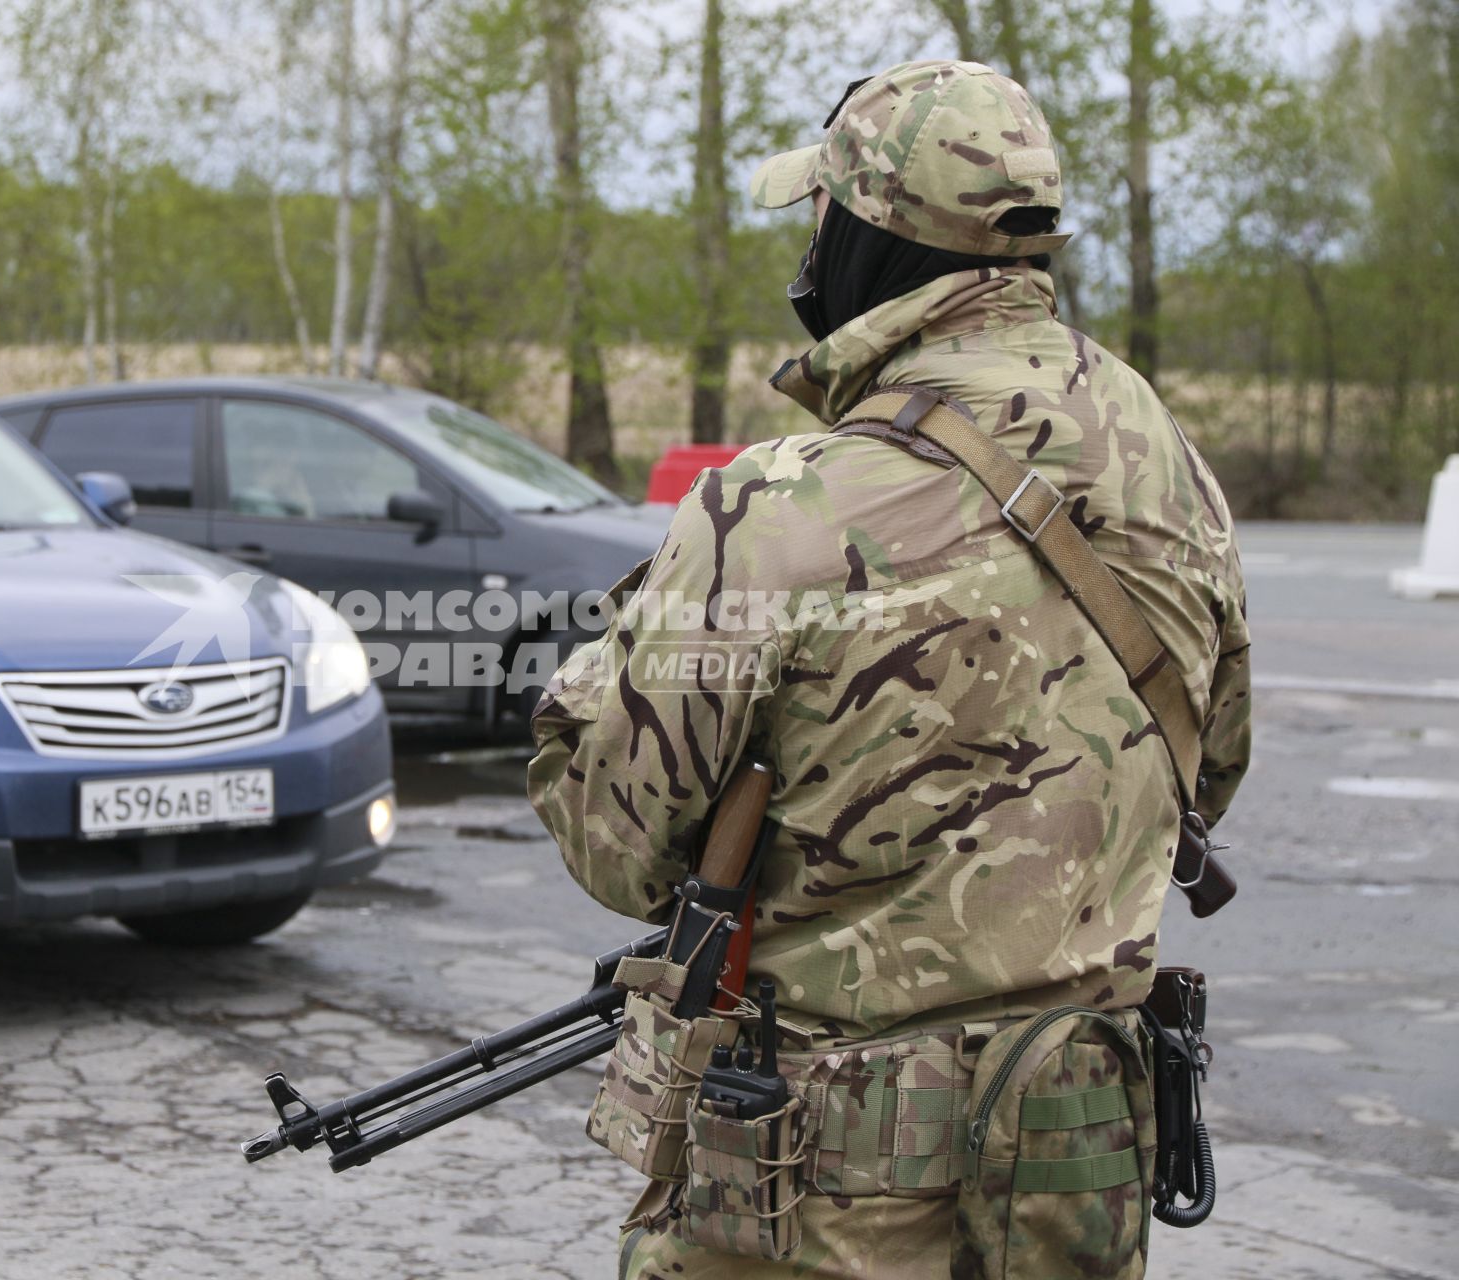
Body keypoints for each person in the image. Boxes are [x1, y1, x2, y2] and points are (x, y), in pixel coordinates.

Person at [527, 59, 1251, 1279]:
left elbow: (617, 841)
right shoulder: (1160, 447)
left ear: (868, 230)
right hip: (1071, 1186)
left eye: (818, 212)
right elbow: (1210, 770)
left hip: (810, 1209)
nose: (807, 245)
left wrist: (591, 684)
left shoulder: (774, 503)